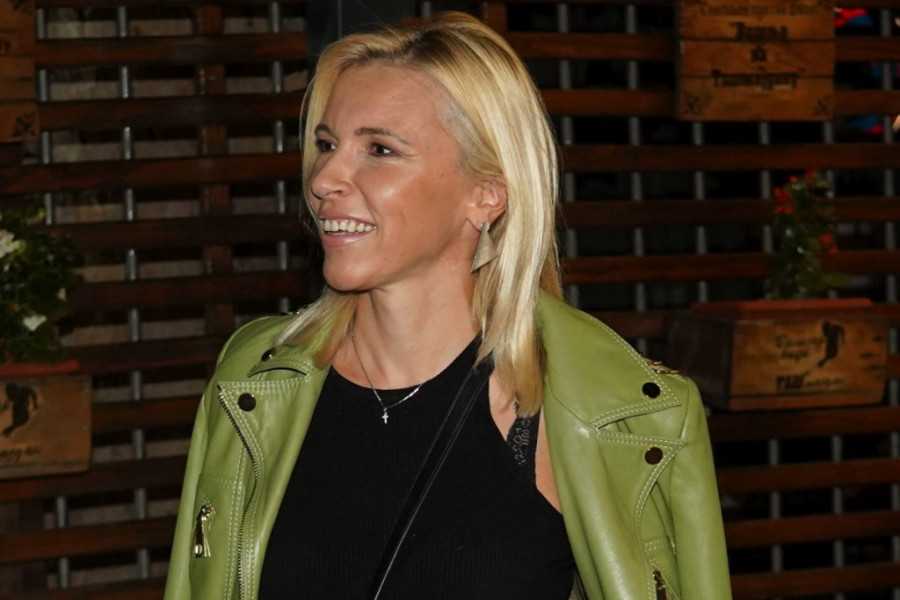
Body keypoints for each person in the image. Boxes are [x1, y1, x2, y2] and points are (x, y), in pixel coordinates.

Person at [163, 11, 731, 600]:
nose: (324, 177)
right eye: (326, 145)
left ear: (486, 194)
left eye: (379, 149)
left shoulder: (621, 418)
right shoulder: (253, 383)